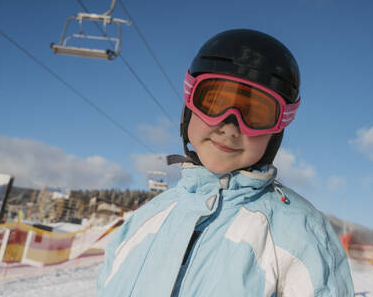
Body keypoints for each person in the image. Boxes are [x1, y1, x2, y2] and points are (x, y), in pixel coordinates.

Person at [97, 29, 354, 296]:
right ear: (189, 105)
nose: (231, 127)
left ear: (276, 132)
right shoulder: (145, 219)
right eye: (216, 101)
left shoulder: (300, 233)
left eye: (256, 113)